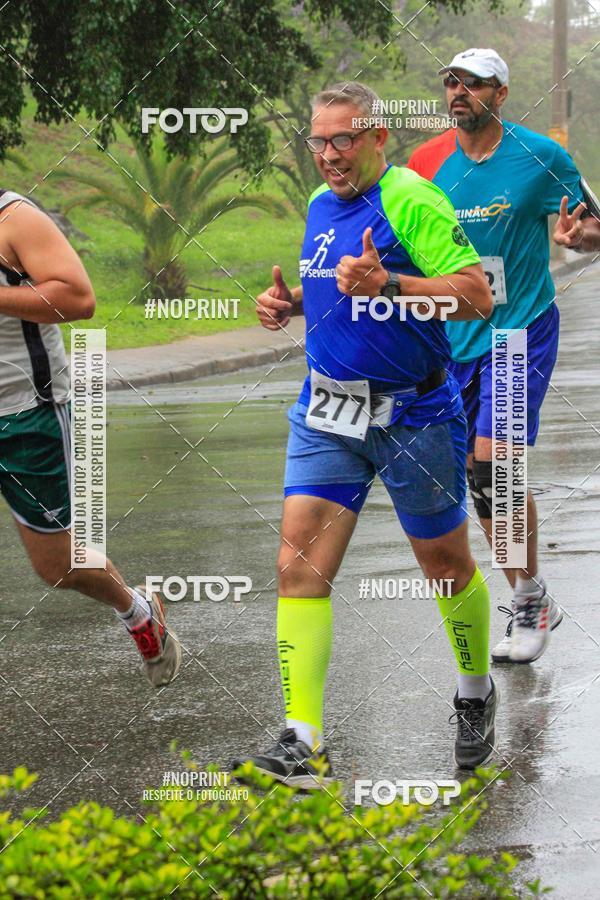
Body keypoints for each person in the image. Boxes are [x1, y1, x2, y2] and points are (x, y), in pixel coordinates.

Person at [233, 81, 496, 787]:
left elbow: (476, 296)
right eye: (317, 141)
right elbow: (334, 293)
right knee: (298, 570)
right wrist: (286, 305)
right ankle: (303, 739)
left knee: (444, 567)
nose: (328, 155)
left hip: (415, 414)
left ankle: (475, 691)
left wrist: (391, 287)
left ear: (379, 137)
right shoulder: (322, 206)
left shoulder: (412, 198)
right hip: (327, 412)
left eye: (343, 139)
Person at [407, 49, 600, 664]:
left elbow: (595, 225)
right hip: (454, 339)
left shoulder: (542, 156)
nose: (458, 92)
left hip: (519, 330)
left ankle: (524, 603)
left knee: (497, 469)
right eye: (451, 82)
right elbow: (405, 243)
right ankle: (531, 592)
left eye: (474, 84)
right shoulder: (426, 163)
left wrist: (581, 236)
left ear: (502, 92)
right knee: (479, 480)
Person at [0, 190, 180, 686]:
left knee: (58, 566)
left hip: (25, 413)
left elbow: (78, 298)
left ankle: (138, 611)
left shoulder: (14, 219)